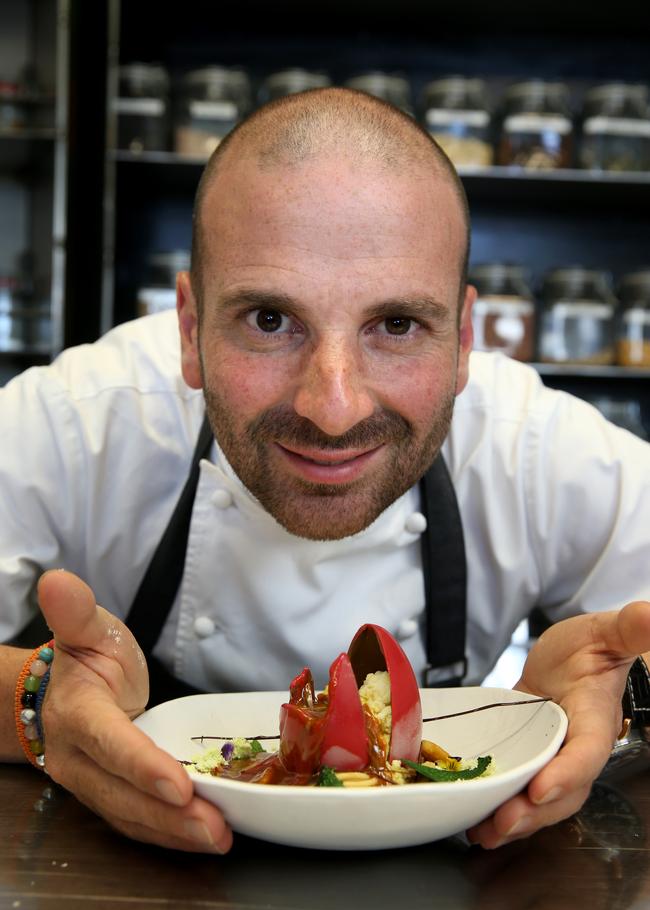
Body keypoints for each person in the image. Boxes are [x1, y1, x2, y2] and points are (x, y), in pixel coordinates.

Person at [1, 88, 649, 855]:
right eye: (270, 321)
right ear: (189, 328)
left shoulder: (537, 448)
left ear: (465, 339)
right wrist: (33, 699)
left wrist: (628, 699)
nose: (333, 409)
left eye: (397, 325)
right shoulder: (79, 421)